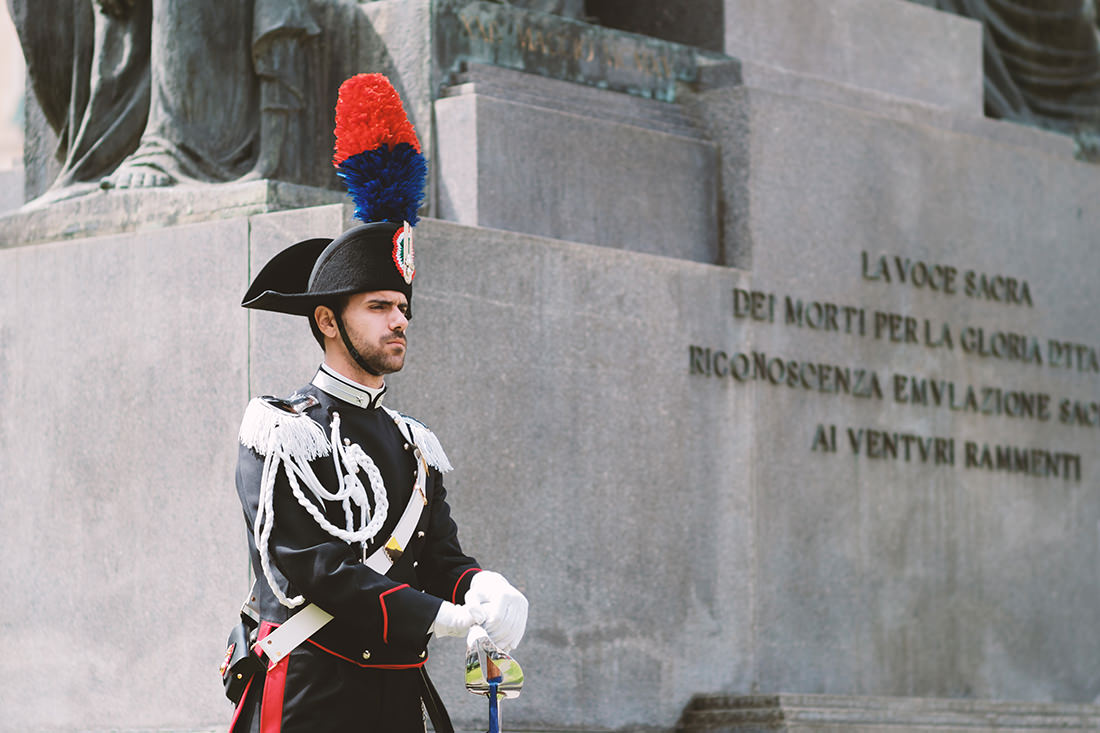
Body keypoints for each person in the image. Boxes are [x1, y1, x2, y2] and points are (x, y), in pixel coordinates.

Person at [227, 75, 527, 732]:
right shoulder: (280, 432)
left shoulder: (414, 443)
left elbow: (437, 554)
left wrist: (479, 587)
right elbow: (315, 569)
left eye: (403, 307)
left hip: (398, 700)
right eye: (380, 307)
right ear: (328, 321)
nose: (400, 321)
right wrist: (440, 616)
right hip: (311, 697)